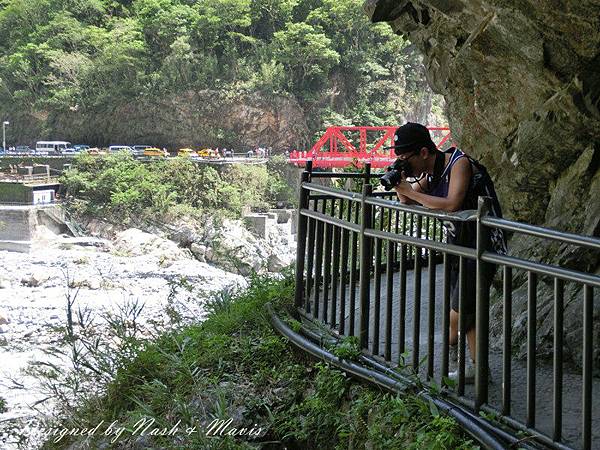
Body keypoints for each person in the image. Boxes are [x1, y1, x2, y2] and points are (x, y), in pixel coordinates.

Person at [387, 122, 506, 383]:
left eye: (405, 159)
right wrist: (400, 183)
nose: (403, 163)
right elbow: (407, 200)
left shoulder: (458, 163)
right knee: (469, 310)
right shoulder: (427, 175)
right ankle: (478, 370)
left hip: (483, 246)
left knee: (459, 313)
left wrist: (410, 191)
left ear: (424, 153)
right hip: (458, 245)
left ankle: (453, 356)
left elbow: (452, 204)